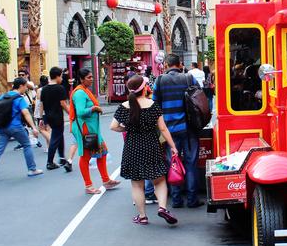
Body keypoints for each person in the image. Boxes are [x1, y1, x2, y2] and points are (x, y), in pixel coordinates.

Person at [110, 75, 178, 225]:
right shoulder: (152, 105)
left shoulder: (124, 106)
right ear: (145, 88)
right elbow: (163, 128)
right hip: (151, 145)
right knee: (159, 180)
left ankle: (142, 216)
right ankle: (162, 207)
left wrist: (126, 128)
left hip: (132, 147)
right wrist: (173, 147)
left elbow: (113, 126)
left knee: (137, 184)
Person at [152, 54, 202, 208]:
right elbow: (199, 98)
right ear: (179, 64)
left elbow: (154, 105)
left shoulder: (160, 80)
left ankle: (176, 199)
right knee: (191, 163)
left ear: (166, 64)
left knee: (173, 163)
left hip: (168, 130)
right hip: (189, 129)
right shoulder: (189, 78)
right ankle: (192, 199)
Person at [70, 68, 121, 194]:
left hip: (92, 129)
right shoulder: (80, 93)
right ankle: (88, 185)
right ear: (81, 79)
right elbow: (81, 112)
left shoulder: (85, 91)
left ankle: (106, 180)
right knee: (85, 156)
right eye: (89, 77)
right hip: (85, 129)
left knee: (102, 152)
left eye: (92, 76)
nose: (91, 79)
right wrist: (94, 108)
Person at [0, 77, 44, 182]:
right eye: (25, 86)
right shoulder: (19, 98)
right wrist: (33, 127)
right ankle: (32, 169)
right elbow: (26, 113)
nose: (26, 88)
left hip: (3, 126)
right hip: (16, 126)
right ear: (21, 86)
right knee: (26, 144)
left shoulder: (3, 96)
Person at [41, 67, 72, 172]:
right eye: (61, 76)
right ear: (58, 76)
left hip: (48, 116)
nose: (62, 78)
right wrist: (71, 114)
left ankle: (62, 157)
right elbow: (63, 103)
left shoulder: (44, 89)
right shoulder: (60, 88)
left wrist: (41, 117)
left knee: (59, 135)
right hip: (57, 116)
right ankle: (50, 162)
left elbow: (41, 104)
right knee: (55, 138)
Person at [15, 69, 41, 150]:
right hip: (19, 107)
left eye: (23, 75)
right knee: (21, 125)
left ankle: (36, 140)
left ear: (27, 75)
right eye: (20, 75)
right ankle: (22, 142)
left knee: (30, 124)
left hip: (27, 106)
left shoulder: (29, 83)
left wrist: (23, 81)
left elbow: (32, 87)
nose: (21, 76)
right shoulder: (18, 83)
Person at [35, 75, 51, 152]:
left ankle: (51, 143)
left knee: (41, 129)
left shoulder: (39, 90)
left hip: (42, 112)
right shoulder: (50, 89)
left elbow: (39, 100)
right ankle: (48, 147)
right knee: (48, 129)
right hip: (49, 111)